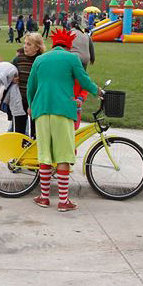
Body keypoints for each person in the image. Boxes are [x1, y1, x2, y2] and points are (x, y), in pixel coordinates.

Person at [26, 28, 100, 211]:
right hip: (63, 111)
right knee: (63, 155)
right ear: (69, 46)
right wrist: (98, 92)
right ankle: (63, 201)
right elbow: (84, 80)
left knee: (44, 155)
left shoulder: (40, 60)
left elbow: (30, 87)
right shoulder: (72, 59)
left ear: (53, 44)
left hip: (41, 110)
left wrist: (31, 105)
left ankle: (43, 197)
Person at [12, 32, 44, 137]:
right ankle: (18, 151)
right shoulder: (18, 59)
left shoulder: (41, 60)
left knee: (36, 131)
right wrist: (12, 78)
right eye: (24, 43)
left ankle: (35, 151)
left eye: (29, 44)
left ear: (37, 47)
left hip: (36, 100)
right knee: (18, 131)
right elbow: (10, 72)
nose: (25, 46)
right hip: (20, 99)